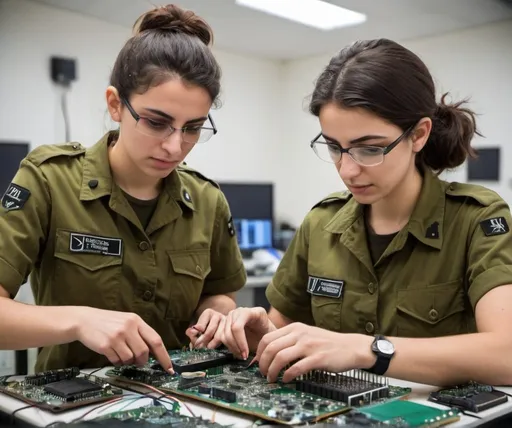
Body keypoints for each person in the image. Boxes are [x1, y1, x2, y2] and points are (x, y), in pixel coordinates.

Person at [209, 38, 512, 387]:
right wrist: (260, 334)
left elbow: (505, 353)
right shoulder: (320, 225)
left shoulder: (475, 219)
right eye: (335, 147)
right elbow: (280, 330)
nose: (347, 170)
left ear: (419, 134)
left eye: (369, 149)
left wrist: (367, 350)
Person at [0, 4, 246, 373]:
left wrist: (218, 314)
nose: (174, 147)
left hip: (180, 399)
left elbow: (219, 293)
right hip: (72, 404)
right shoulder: (49, 180)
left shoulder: (208, 201)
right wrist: (79, 321)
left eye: (193, 128)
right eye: (156, 122)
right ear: (116, 104)